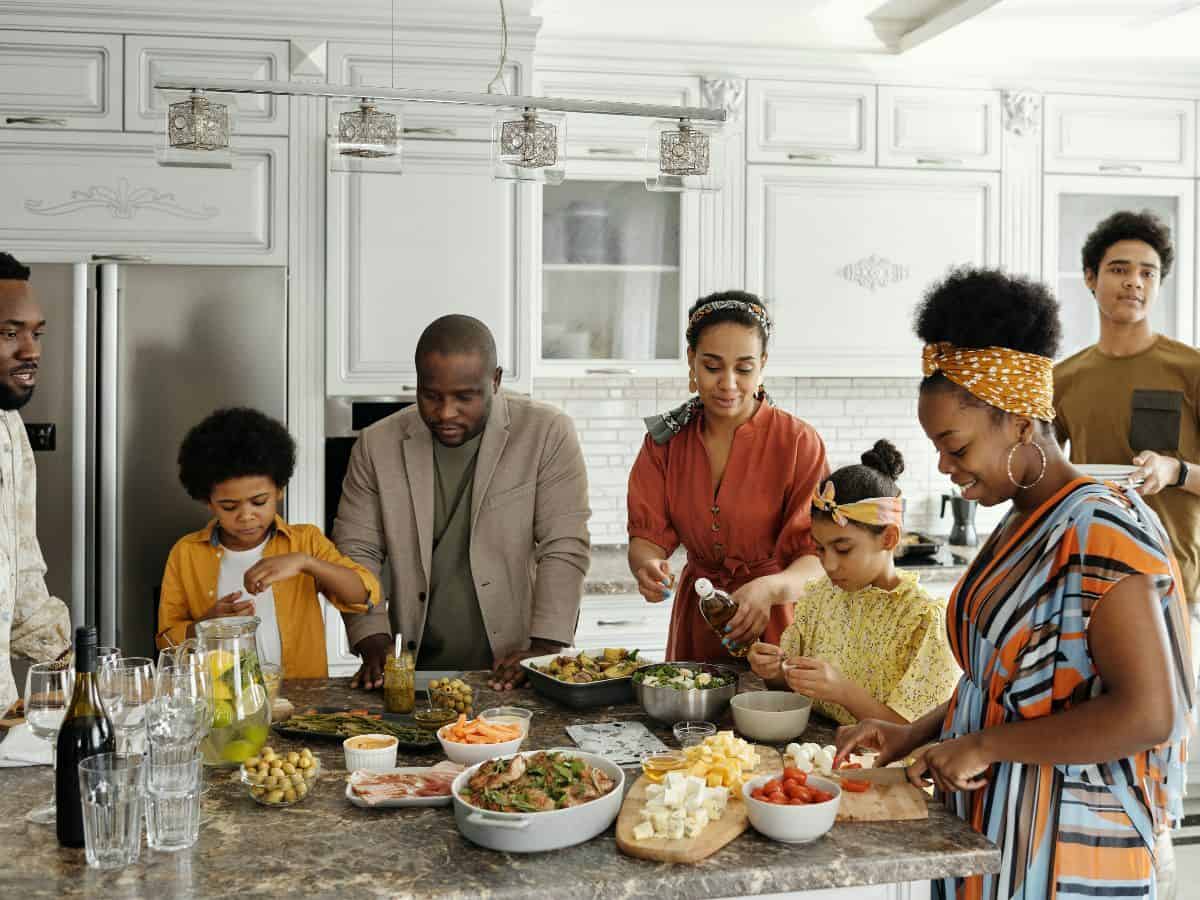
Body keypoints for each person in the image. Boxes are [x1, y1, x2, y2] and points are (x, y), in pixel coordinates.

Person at [836, 268, 1194, 900]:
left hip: (1068, 848)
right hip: (998, 828)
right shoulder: (1022, 520)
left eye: (954, 445)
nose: (946, 469)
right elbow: (1012, 685)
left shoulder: (1100, 529)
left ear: (1022, 423)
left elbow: (1150, 714)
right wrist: (912, 733)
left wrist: (985, 746)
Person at [334, 315, 590, 691]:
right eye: (431, 395)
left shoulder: (546, 433)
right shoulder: (376, 445)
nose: (445, 413)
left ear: (496, 381)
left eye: (464, 397)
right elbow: (356, 549)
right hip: (415, 670)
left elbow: (564, 545)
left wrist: (546, 647)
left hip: (514, 668)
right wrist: (370, 635)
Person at [627, 291, 828, 661]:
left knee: (775, 716)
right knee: (693, 717)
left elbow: (818, 558)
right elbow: (647, 536)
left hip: (778, 622)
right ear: (692, 361)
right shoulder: (665, 444)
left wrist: (770, 589)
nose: (729, 383)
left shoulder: (798, 443)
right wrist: (648, 567)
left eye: (744, 368)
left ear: (763, 364)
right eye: (713, 366)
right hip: (698, 617)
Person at [1054, 210, 1200, 694]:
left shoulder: (1190, 369)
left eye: (1147, 272)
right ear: (1091, 279)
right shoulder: (1063, 378)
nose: (1134, 282)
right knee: (1090, 726)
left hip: (1170, 577)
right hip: (1087, 575)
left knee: (1160, 729)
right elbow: (1040, 479)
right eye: (1119, 269)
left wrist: (1175, 470)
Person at [156, 407, 381, 679]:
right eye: (229, 506)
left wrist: (305, 563)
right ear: (208, 501)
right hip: (218, 701)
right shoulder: (186, 553)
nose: (246, 516)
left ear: (280, 490)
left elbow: (364, 596)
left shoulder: (304, 541)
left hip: (300, 700)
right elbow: (166, 642)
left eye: (259, 502)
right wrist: (206, 626)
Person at [748, 440, 960, 726]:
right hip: (818, 756)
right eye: (820, 549)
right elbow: (791, 690)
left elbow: (914, 733)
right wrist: (774, 672)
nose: (829, 564)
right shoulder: (819, 597)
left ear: (889, 539)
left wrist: (843, 691)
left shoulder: (923, 621)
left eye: (843, 549)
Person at [0, 252, 71, 715]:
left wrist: (74, 670)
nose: (32, 350)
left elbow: (22, 570)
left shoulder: (9, 429)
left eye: (36, 333)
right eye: (9, 333)